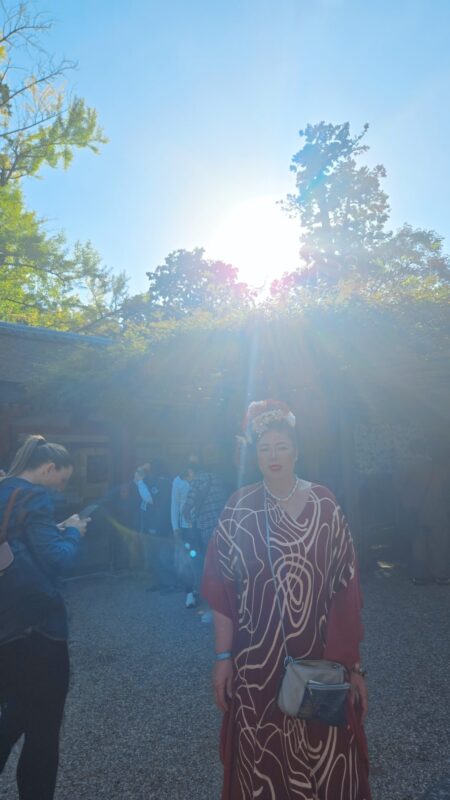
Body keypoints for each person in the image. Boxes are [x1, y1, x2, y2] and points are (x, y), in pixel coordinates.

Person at [202, 400, 371, 800]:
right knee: (264, 754)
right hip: (256, 661)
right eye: (265, 448)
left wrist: (354, 665)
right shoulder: (239, 508)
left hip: (322, 656)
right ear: (255, 454)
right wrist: (223, 658)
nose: (273, 456)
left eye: (281, 446)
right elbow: (221, 590)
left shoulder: (325, 504)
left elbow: (345, 589)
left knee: (326, 746)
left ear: (296, 451)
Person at [0, 435, 89, 800]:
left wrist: (56, 531)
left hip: (5, 627)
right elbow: (56, 559)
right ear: (50, 468)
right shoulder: (34, 496)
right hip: (38, 628)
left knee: (17, 707)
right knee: (44, 726)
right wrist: (73, 533)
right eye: (62, 479)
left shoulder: (4, 489)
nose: (60, 488)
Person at [183, 461, 227, 615]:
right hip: (222, 526)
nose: (187, 480)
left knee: (206, 563)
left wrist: (187, 514)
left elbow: (188, 504)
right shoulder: (218, 478)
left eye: (186, 477)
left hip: (206, 527)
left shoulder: (197, 479)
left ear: (191, 471)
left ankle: (212, 601)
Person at [171, 464, 196, 607]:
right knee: (186, 560)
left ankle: (202, 590)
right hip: (185, 527)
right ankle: (189, 593)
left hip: (200, 524)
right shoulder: (177, 481)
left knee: (202, 559)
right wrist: (175, 527)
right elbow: (174, 505)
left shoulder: (199, 477)